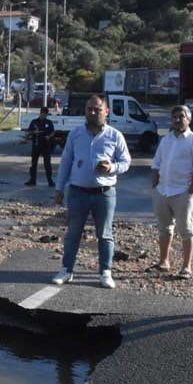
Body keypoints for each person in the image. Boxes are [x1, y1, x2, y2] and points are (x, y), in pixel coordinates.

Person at [51, 95, 131, 289]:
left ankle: (105, 272)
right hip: (78, 193)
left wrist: (111, 167)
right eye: (89, 109)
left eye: (97, 109)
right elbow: (66, 162)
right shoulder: (76, 134)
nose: (92, 112)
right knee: (72, 233)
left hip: (104, 193)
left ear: (106, 111)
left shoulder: (115, 135)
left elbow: (126, 162)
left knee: (104, 235)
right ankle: (66, 269)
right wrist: (59, 188)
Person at [150, 105, 193, 279]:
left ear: (188, 119)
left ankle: (186, 266)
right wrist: (155, 188)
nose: (177, 119)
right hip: (163, 191)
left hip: (183, 192)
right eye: (174, 116)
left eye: (181, 116)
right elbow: (156, 164)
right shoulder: (166, 140)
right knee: (164, 228)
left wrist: (191, 191)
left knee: (186, 230)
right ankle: (163, 261)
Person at [25, 107, 55, 187]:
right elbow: (29, 131)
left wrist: (49, 136)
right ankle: (32, 179)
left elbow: (53, 132)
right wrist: (34, 132)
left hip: (46, 145)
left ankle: (50, 180)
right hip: (36, 144)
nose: (44, 116)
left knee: (47, 164)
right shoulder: (34, 122)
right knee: (34, 163)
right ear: (40, 113)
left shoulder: (49, 122)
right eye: (43, 114)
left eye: (45, 115)